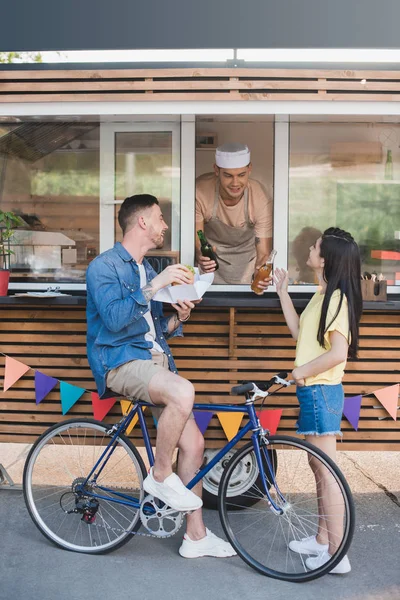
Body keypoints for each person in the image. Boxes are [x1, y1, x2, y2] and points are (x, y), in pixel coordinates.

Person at [86, 194, 236, 559]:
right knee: (184, 392)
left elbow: (154, 330)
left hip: (153, 362)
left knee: (196, 445)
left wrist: (180, 316)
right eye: (160, 218)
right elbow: (116, 320)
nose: (165, 226)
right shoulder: (104, 267)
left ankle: (196, 537)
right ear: (141, 222)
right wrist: (156, 286)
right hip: (120, 362)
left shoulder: (146, 269)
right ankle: (160, 475)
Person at [274, 227, 362, 575]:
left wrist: (301, 371)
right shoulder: (322, 293)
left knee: (328, 474)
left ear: (325, 259)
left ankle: (336, 554)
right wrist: (282, 293)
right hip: (314, 391)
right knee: (319, 468)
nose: (309, 250)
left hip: (321, 390)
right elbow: (301, 336)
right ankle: (323, 539)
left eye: (314, 247)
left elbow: (338, 353)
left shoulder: (337, 300)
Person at [195, 142, 273, 288]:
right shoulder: (200, 192)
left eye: (241, 175)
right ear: (216, 170)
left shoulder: (260, 199)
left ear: (249, 169)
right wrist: (202, 255)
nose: (235, 183)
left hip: (247, 263)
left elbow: (263, 253)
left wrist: (261, 270)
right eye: (228, 176)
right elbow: (199, 239)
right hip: (211, 263)